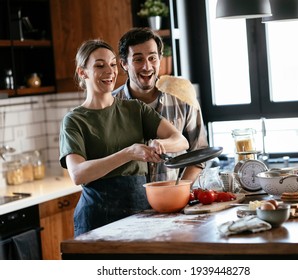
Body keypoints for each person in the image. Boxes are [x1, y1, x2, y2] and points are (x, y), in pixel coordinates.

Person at [59, 39, 189, 236]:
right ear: (82, 72)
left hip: (141, 212)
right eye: (99, 65)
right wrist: (128, 153)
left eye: (112, 64)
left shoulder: (135, 109)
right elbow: (78, 174)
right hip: (97, 218)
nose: (110, 71)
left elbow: (181, 140)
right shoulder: (74, 120)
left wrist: (160, 143)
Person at [113, 27, 209, 184]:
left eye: (152, 58)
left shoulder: (182, 97)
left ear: (160, 58)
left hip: (173, 200)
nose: (147, 67)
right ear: (124, 63)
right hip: (127, 205)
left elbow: (199, 153)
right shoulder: (110, 104)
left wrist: (179, 190)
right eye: (138, 59)